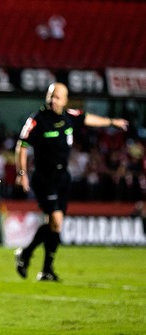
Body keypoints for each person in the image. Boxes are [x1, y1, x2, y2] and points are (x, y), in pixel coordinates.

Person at [14, 82, 128, 282]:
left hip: (63, 178)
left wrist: (112, 121)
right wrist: (21, 172)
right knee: (56, 221)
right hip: (44, 178)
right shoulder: (37, 119)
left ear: (65, 100)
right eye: (50, 95)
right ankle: (32, 257)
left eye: (57, 96)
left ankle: (38, 264)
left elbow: (89, 119)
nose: (52, 100)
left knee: (54, 225)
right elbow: (21, 146)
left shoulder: (70, 117)